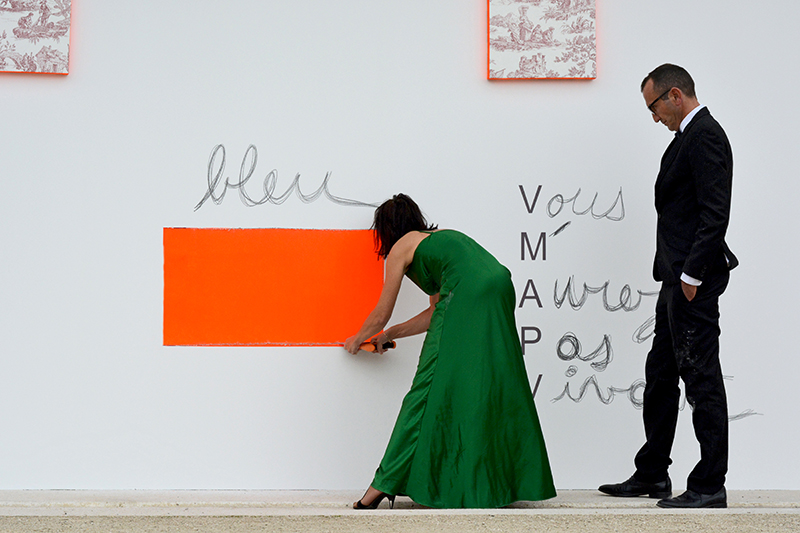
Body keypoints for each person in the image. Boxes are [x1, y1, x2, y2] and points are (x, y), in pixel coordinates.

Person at [345, 194, 556, 509]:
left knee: (426, 389)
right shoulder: (440, 241)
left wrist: (357, 338)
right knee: (491, 384)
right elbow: (436, 313)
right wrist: (388, 336)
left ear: (386, 229)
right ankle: (494, 485)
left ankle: (382, 484)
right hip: (500, 288)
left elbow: (381, 312)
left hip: (470, 294)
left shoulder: (402, 246)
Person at [599, 64, 738, 509]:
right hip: (675, 279)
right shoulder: (685, 139)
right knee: (661, 374)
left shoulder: (705, 136)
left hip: (692, 280)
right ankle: (653, 472)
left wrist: (692, 276)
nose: (654, 117)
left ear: (675, 95)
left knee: (700, 377)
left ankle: (709, 485)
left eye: (654, 107)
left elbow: (715, 213)